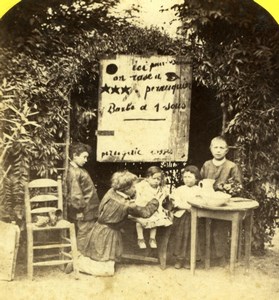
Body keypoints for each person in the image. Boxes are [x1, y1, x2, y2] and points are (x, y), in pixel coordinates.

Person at [80, 170, 159, 274]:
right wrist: (156, 200)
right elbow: (145, 212)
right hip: (107, 234)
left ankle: (80, 263)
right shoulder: (126, 204)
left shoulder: (111, 191)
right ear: (126, 189)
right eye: (134, 187)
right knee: (105, 270)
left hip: (98, 229)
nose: (135, 189)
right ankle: (78, 265)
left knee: (97, 257)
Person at [200, 136, 242, 265]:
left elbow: (238, 186)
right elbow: (200, 180)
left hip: (223, 203)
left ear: (226, 150)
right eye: (215, 147)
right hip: (207, 202)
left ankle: (220, 256)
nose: (218, 150)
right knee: (202, 225)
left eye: (221, 148)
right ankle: (203, 256)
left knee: (220, 228)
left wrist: (227, 189)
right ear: (211, 149)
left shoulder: (231, 166)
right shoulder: (207, 164)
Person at [66, 143, 100, 252]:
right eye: (84, 157)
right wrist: (79, 210)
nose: (86, 160)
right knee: (83, 233)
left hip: (89, 210)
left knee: (85, 232)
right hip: (84, 211)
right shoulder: (74, 172)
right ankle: (78, 257)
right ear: (75, 155)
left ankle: (79, 256)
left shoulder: (78, 170)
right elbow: (76, 194)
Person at [171, 165, 202, 269]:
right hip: (181, 216)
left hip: (194, 216)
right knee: (180, 237)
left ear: (196, 178)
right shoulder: (179, 189)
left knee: (191, 237)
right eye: (185, 177)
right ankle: (179, 259)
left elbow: (201, 202)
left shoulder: (199, 190)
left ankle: (189, 259)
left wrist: (193, 208)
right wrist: (186, 207)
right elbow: (175, 203)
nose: (187, 179)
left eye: (190, 177)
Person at [134, 166, 172, 249]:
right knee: (140, 220)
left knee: (155, 219)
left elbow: (162, 200)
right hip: (142, 207)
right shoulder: (142, 186)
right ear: (147, 178)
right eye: (154, 178)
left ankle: (152, 238)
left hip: (154, 209)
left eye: (158, 179)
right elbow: (137, 197)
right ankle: (140, 238)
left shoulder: (160, 189)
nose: (156, 181)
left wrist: (165, 195)